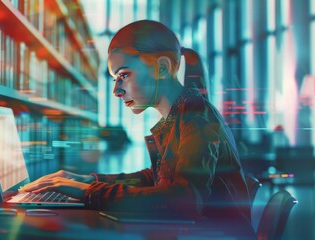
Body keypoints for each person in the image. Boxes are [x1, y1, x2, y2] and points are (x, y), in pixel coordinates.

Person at [21, 20, 251, 225]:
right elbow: (156, 178)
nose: (116, 90)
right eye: (114, 78)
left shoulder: (196, 119)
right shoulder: (182, 114)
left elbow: (183, 200)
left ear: (162, 68)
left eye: (124, 75)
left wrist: (90, 191)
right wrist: (90, 180)